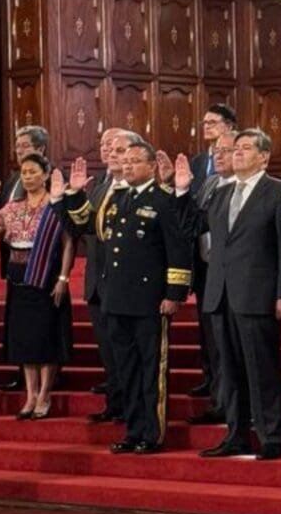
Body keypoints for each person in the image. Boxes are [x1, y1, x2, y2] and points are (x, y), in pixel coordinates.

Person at [55, 137, 192, 454]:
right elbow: (88, 226)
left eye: (134, 162)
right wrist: (75, 195)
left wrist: (174, 294)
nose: (127, 167)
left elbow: (178, 250)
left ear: (151, 166)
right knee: (126, 368)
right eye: (124, 162)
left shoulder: (162, 200)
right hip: (115, 299)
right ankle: (133, 430)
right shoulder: (117, 199)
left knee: (149, 370)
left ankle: (152, 433)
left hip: (148, 300)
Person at [179, 129, 281, 460]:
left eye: (246, 148)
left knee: (261, 370)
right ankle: (236, 435)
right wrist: (181, 190)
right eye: (236, 149)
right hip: (220, 293)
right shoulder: (221, 192)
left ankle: (271, 436)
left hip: (257, 294)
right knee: (228, 371)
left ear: (264, 156)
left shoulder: (278, 192)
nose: (237, 154)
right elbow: (192, 227)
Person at [0, 153, 74, 419]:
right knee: (25, 339)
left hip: (46, 276)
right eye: (24, 172)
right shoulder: (12, 207)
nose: (28, 176)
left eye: (33, 171)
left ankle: (45, 394)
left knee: (46, 337)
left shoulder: (55, 205)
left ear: (45, 175)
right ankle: (30, 395)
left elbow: (68, 243)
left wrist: (64, 278)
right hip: (19, 279)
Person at [56, 127, 128, 423]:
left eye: (116, 146)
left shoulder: (134, 186)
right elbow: (81, 228)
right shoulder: (99, 184)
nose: (108, 150)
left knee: (125, 353)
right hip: (97, 282)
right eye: (104, 145)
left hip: (124, 284)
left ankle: (130, 408)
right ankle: (115, 403)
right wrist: (72, 197)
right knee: (108, 352)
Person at [0, 125, 50, 392]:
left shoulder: (51, 183)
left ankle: (46, 383)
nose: (19, 153)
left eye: (25, 147)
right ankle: (24, 376)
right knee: (20, 325)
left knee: (41, 327)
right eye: (17, 148)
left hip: (42, 266)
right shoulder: (11, 179)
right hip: (14, 262)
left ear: (40, 149)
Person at [184, 131, 236, 425]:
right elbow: (193, 222)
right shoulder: (210, 184)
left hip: (240, 279)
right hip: (209, 273)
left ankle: (238, 408)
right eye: (216, 151)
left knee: (234, 347)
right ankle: (219, 401)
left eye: (226, 151)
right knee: (214, 344)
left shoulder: (258, 189)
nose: (218, 156)